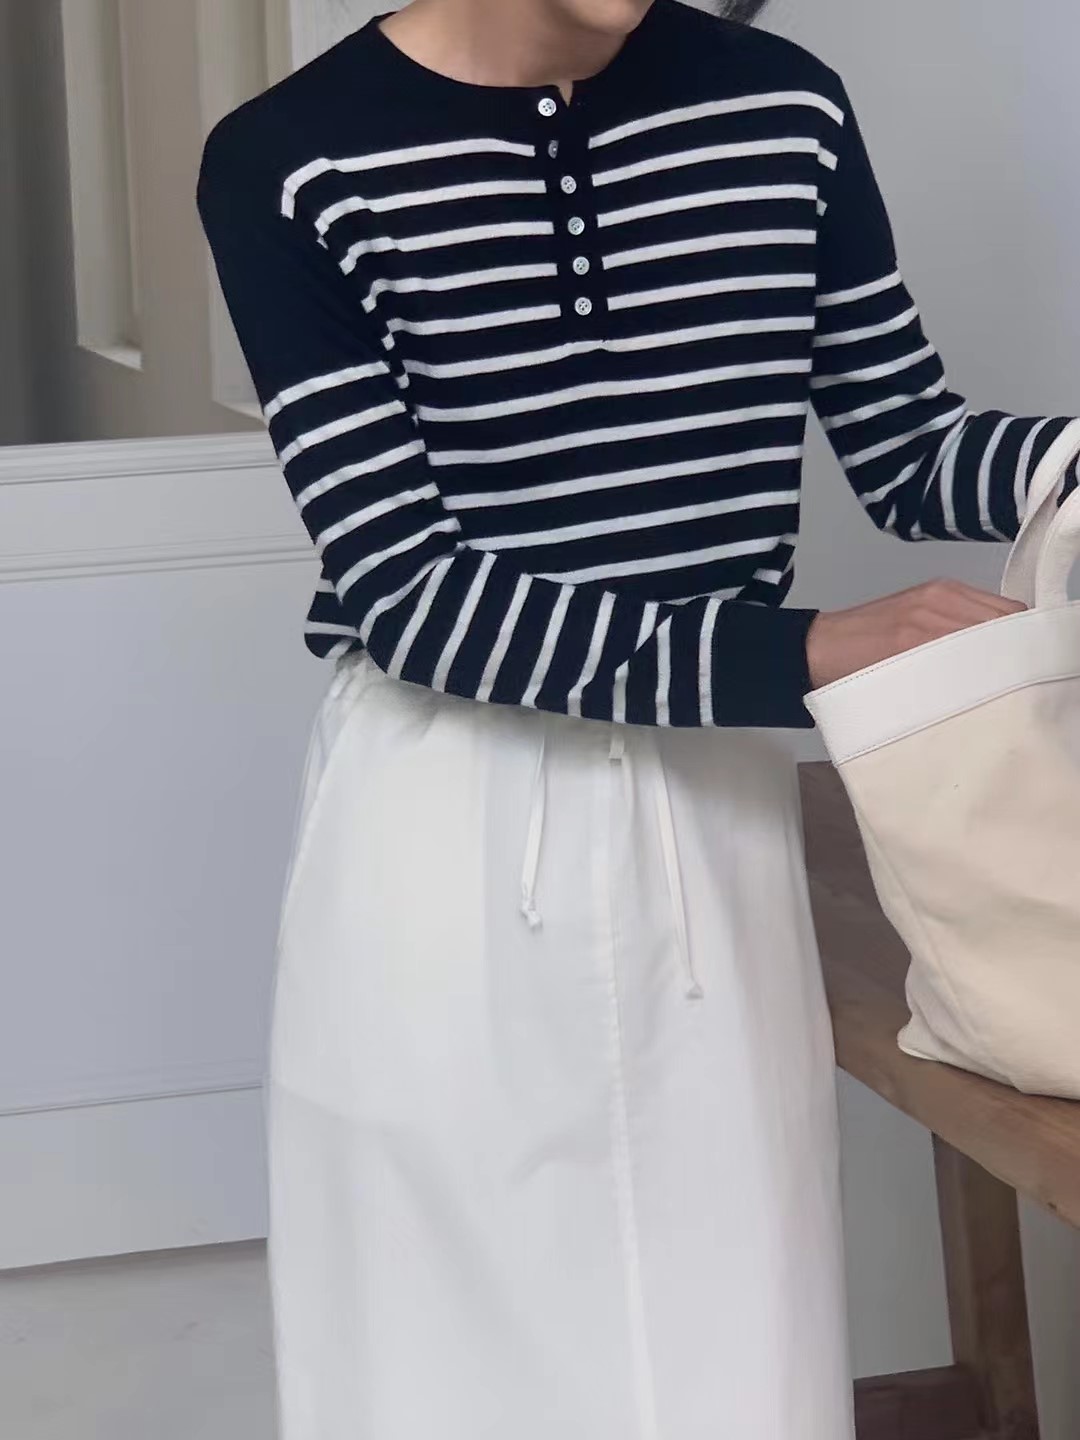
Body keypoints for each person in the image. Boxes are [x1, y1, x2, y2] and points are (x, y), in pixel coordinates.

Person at [194, 2, 1080, 1436]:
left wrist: (1071, 462)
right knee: (445, 1371)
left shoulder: (783, 108)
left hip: (712, 817)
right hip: (442, 825)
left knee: (728, 1353)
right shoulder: (293, 161)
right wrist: (812, 647)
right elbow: (413, 596)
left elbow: (910, 449)